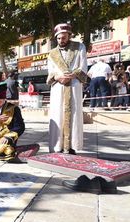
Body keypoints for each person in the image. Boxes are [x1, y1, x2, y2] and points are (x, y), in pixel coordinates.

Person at [46, 23, 87, 154]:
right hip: (58, 88)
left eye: (63, 38)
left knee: (74, 114)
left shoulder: (79, 47)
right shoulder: (52, 53)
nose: (61, 41)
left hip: (74, 85)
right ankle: (57, 146)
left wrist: (72, 75)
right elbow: (50, 72)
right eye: (58, 38)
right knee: (57, 114)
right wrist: (58, 77)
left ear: (69, 36)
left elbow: (83, 67)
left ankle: (72, 146)